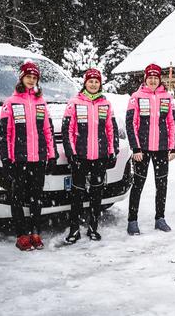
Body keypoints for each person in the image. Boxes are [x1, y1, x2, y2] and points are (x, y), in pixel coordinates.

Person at [0, 60, 57, 251]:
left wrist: (51, 154)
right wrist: (6, 159)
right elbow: (5, 134)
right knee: (17, 197)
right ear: (21, 77)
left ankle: (35, 232)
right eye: (28, 77)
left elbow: (47, 130)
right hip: (19, 159)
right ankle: (21, 235)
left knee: (36, 197)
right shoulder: (10, 102)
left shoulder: (41, 102)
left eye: (34, 77)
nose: (31, 80)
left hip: (38, 159)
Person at [62, 68, 119, 243]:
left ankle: (93, 228)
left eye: (96, 81)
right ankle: (74, 229)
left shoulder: (106, 104)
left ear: (100, 84)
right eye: (90, 81)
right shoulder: (74, 103)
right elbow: (67, 130)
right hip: (81, 156)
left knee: (96, 195)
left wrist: (112, 150)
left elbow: (111, 129)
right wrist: (71, 153)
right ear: (85, 83)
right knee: (77, 195)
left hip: (100, 157)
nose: (93, 84)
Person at [125, 63, 175, 235]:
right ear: (145, 79)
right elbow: (131, 123)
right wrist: (136, 148)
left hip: (162, 148)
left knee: (161, 185)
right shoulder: (136, 97)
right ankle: (132, 220)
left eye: (156, 78)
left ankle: (160, 218)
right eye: (150, 78)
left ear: (159, 79)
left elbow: (172, 123)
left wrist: (173, 147)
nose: (153, 81)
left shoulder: (167, 98)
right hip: (142, 150)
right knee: (138, 184)